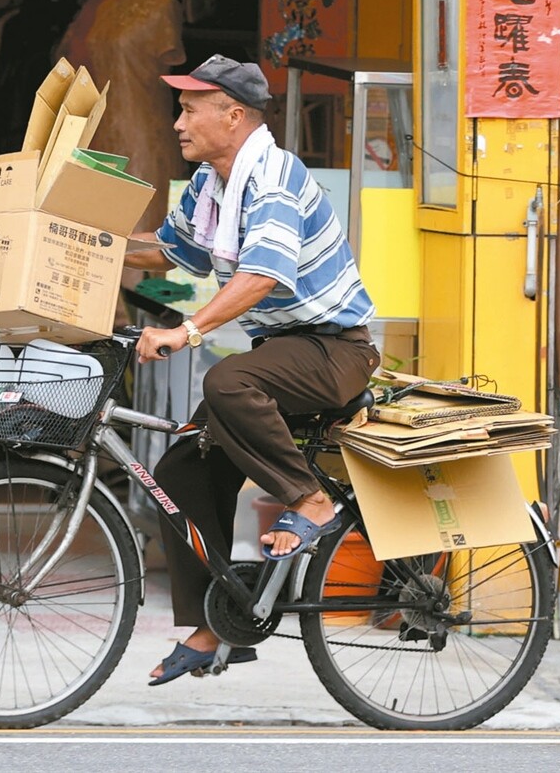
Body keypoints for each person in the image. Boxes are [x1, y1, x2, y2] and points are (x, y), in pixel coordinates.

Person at [124, 54, 378, 686]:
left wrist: (186, 331)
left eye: (189, 109)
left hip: (334, 350)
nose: (178, 122)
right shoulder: (213, 185)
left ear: (232, 116)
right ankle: (219, 628)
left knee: (228, 379)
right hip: (285, 354)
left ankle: (310, 502)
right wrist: (84, 241)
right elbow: (167, 249)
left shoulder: (273, 179)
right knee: (182, 468)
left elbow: (264, 275)